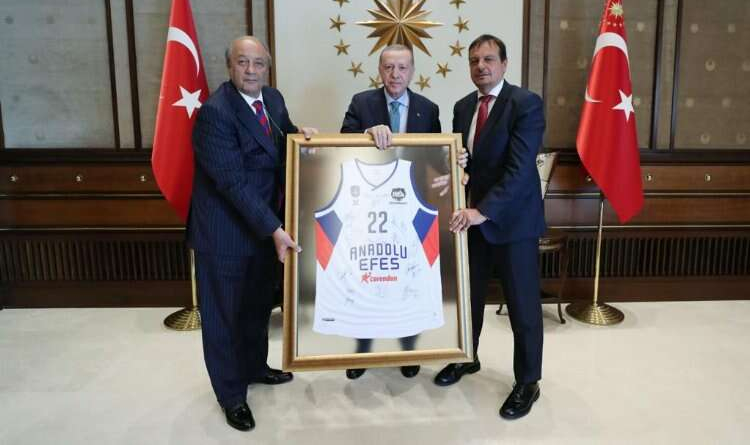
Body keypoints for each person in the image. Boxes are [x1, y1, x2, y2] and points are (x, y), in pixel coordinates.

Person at [188, 36, 316, 432]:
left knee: (257, 307)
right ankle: (231, 395)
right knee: (224, 317)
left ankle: (255, 366)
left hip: (262, 228)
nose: (251, 70)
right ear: (229, 66)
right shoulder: (215, 113)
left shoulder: (272, 99)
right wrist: (275, 228)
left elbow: (282, 138)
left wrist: (302, 136)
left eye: (258, 63)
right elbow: (233, 183)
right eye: (242, 62)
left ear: (267, 68)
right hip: (225, 233)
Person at [435, 34, 546, 421]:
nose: (480, 66)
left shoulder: (525, 104)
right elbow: (467, 162)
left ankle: (528, 382)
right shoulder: (463, 106)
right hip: (472, 221)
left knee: (522, 307)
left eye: (488, 59)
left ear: (504, 64)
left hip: (512, 222)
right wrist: (459, 167)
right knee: (468, 298)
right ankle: (467, 357)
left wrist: (482, 211)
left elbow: (519, 169)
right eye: (474, 61)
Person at [339, 44, 441, 379]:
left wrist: (457, 160)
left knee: (408, 280)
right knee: (367, 278)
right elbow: (341, 144)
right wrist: (366, 133)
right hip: (370, 208)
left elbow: (437, 158)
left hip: (410, 208)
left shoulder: (428, 108)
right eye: (388, 67)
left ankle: (408, 350)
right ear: (379, 70)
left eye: (402, 67)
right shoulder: (361, 103)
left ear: (412, 71)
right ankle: (362, 351)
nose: (395, 74)